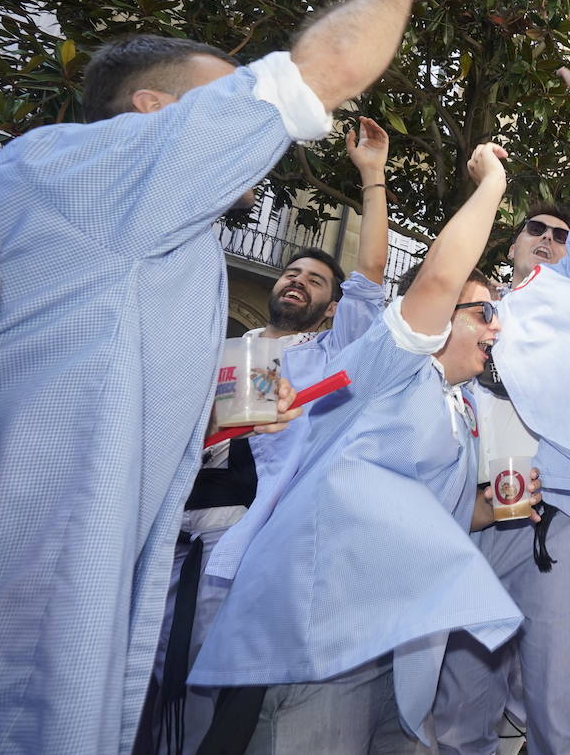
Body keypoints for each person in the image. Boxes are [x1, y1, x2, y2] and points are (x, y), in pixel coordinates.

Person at [0, 0, 449, 755]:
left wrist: (213, 417)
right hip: (32, 574)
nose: (240, 133)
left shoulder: (159, 231)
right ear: (153, 114)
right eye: (215, 102)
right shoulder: (94, 168)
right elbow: (326, 68)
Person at [190, 143, 526, 753]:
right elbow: (442, 275)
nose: (497, 327)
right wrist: (493, 184)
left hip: (396, 652)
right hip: (322, 646)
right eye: (485, 312)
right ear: (439, 318)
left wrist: (507, 504)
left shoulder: (463, 410)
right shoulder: (388, 369)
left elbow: (439, 515)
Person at [138, 119, 393, 755]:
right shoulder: (218, 348)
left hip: (242, 551)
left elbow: (370, 275)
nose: (296, 280)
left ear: (333, 307)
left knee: (211, 699)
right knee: (144, 690)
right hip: (164, 540)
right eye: (291, 272)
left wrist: (371, 175)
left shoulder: (333, 353)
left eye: (314, 279)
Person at [435, 41, 570, 755]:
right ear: (512, 243)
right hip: (478, 511)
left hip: (562, 509)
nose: (548, 237)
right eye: (535, 229)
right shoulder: (479, 306)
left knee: (561, 704)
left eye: (560, 233)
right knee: (460, 700)